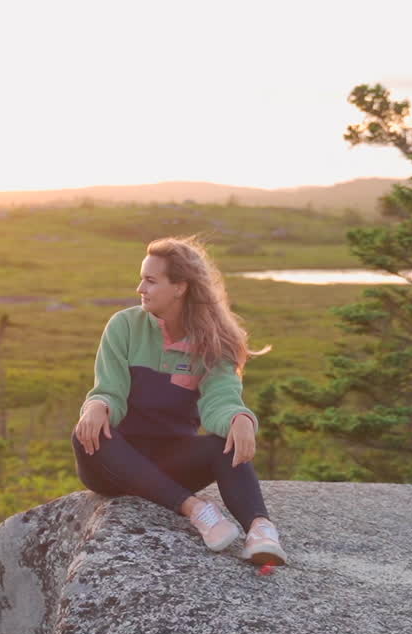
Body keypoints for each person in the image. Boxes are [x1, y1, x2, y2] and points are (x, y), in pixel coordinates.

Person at [72, 236, 286, 565]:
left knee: (222, 443)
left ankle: (261, 530)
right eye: (142, 279)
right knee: (86, 434)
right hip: (115, 465)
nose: (140, 288)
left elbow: (221, 400)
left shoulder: (214, 342)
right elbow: (110, 389)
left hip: (172, 464)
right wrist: (97, 406)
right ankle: (195, 509)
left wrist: (239, 419)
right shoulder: (124, 326)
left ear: (180, 287)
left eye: (150, 280)